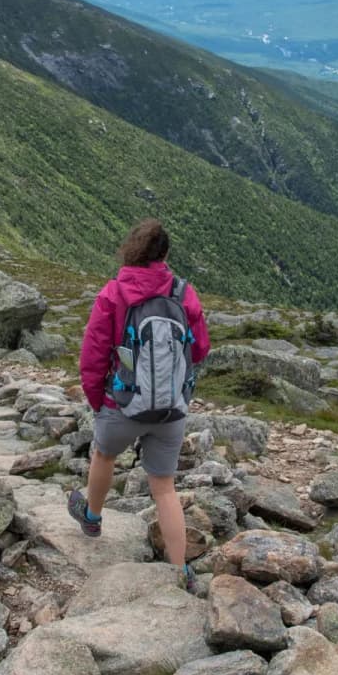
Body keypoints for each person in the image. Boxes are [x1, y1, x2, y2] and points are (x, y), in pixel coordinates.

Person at [68, 218, 211, 589]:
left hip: (123, 403)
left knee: (104, 455)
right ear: (164, 254)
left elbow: (93, 357)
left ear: (131, 250)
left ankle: (93, 517)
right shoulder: (183, 294)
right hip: (171, 410)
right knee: (164, 487)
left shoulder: (113, 293)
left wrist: (100, 402)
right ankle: (180, 571)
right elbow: (199, 349)